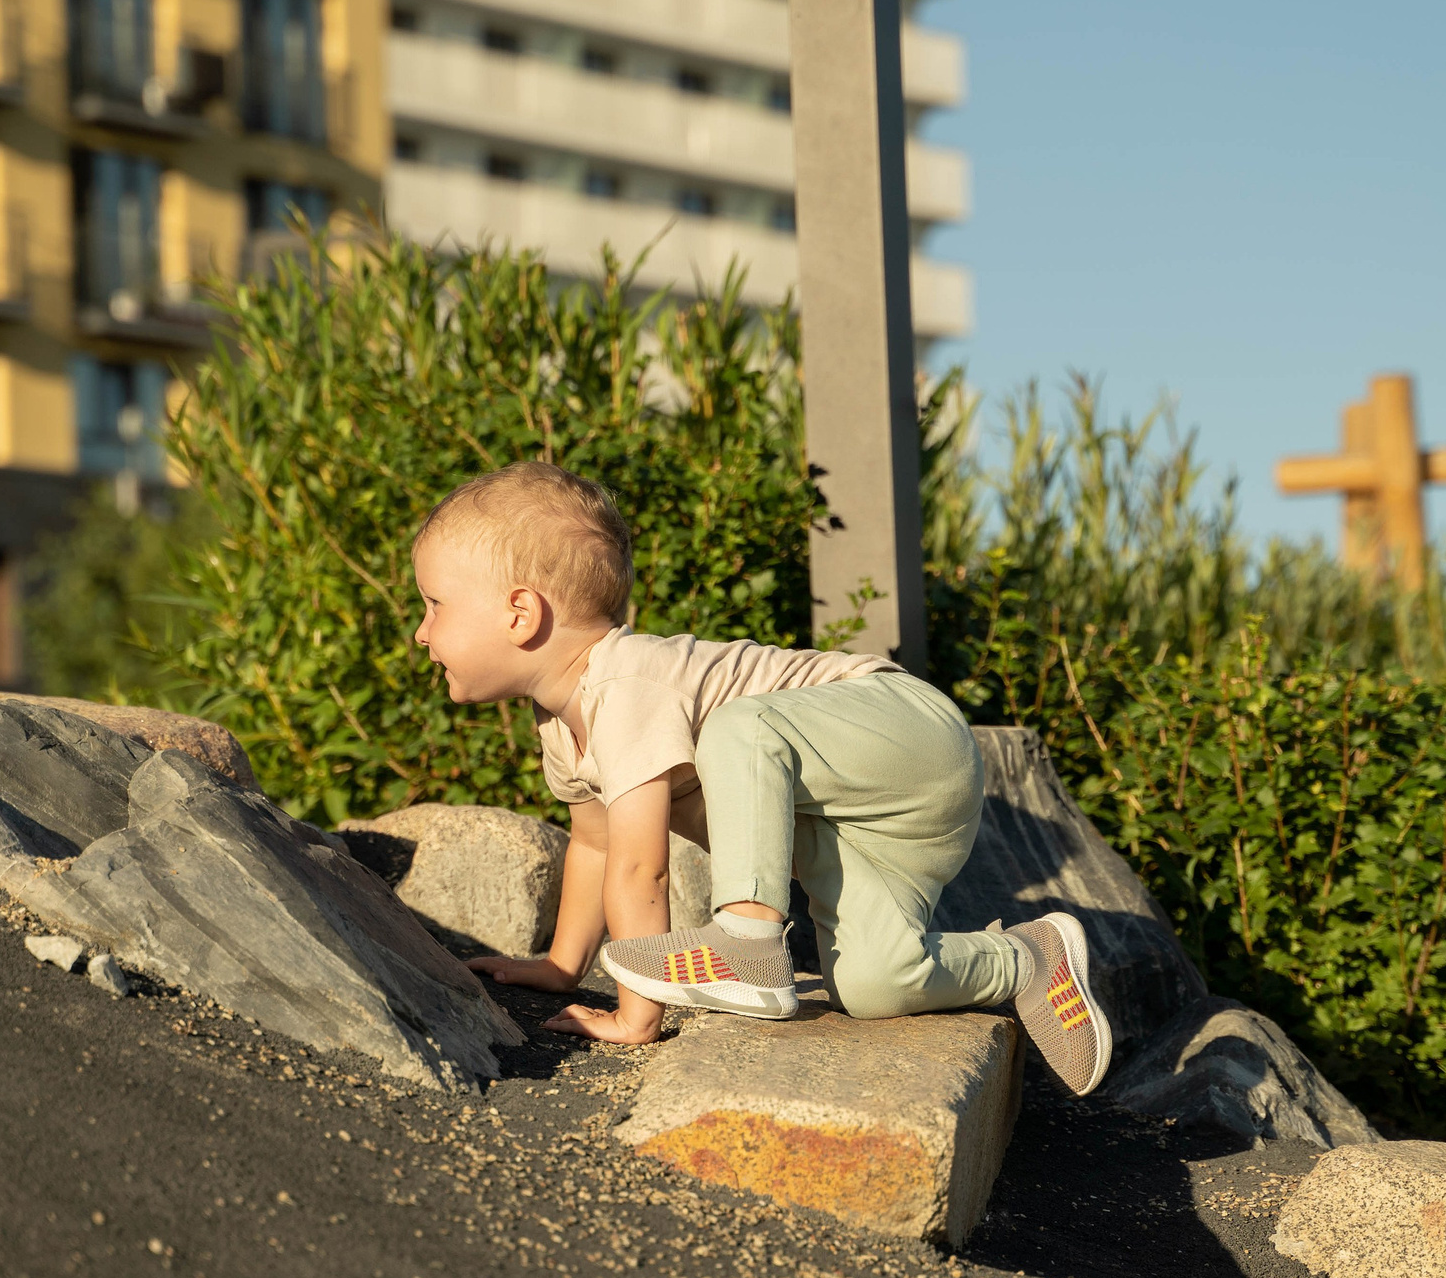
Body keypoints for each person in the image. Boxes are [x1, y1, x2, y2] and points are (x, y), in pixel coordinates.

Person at [411, 459, 1111, 1093]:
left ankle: (746, 940)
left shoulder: (626, 683)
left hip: (909, 736)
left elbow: (640, 869)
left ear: (520, 612)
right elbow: (594, 846)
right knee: (872, 981)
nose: (421, 630)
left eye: (435, 604)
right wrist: (562, 966)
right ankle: (1025, 958)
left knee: (740, 725)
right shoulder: (562, 728)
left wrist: (636, 1013)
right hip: (872, 828)